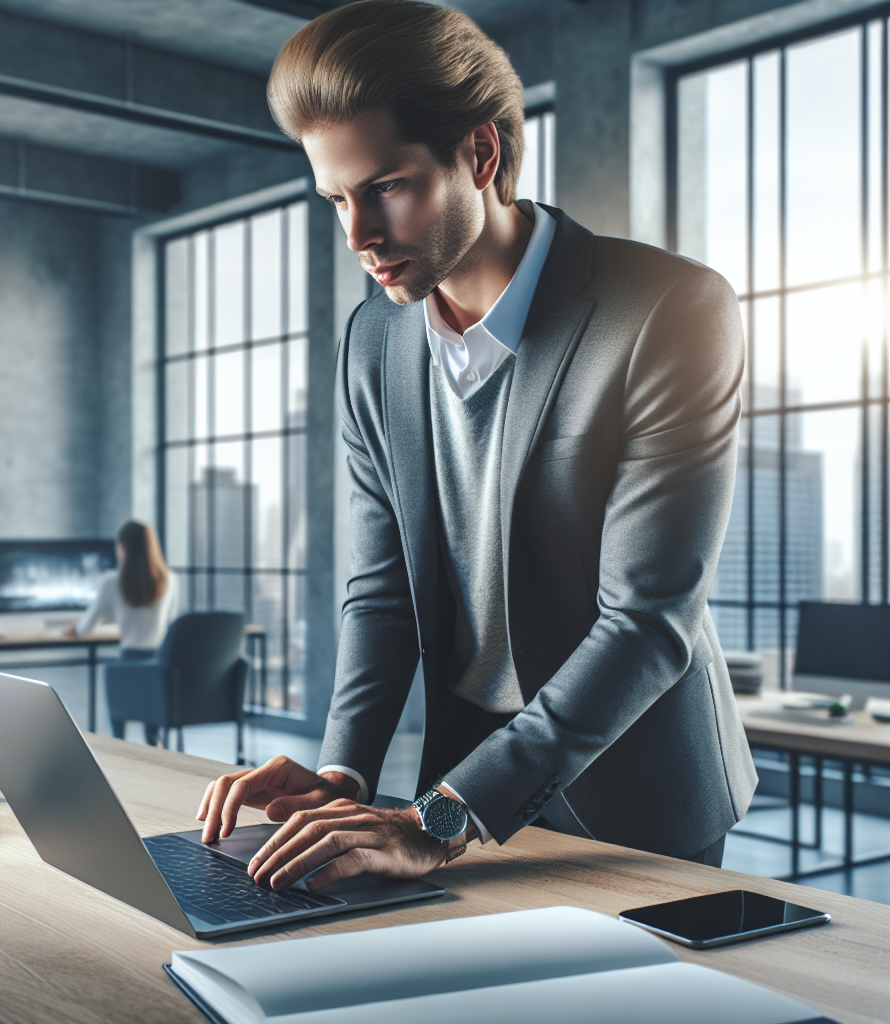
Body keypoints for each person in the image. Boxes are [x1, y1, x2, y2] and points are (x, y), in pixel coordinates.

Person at [197, 0, 757, 893]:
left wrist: (443, 819)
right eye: (337, 199)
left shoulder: (667, 310)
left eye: (385, 187)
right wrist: (341, 778)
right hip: (454, 781)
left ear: (481, 154)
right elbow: (380, 593)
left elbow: (647, 624)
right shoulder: (373, 343)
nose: (358, 237)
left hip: (633, 802)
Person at [67, 519, 178, 744]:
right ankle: (156, 753)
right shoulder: (170, 580)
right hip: (158, 665)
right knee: (152, 731)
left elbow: (85, 628)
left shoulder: (112, 582)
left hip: (126, 665)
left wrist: (74, 628)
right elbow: (170, 623)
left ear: (123, 547)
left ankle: (119, 747)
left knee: (118, 728)